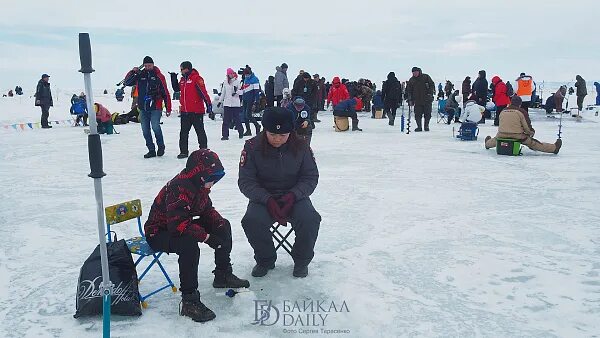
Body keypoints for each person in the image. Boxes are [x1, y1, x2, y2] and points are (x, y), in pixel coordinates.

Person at [145, 149, 250, 322]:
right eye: (210, 179)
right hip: (158, 232)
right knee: (188, 244)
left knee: (224, 226)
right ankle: (189, 301)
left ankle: (222, 274)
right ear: (199, 174)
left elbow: (206, 210)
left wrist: (218, 224)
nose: (213, 183)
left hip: (179, 224)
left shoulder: (199, 186)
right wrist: (207, 237)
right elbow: (177, 225)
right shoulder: (179, 188)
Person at [238, 107, 320, 278]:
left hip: (295, 197)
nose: (277, 139)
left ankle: (302, 260)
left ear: (290, 131)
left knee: (310, 219)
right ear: (264, 129)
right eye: (272, 134)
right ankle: (265, 259)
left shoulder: (302, 146)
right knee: (251, 220)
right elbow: (246, 181)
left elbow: (310, 177)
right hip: (263, 198)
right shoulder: (252, 147)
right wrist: (266, 199)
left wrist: (293, 195)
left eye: (283, 135)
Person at [123, 56, 172, 158]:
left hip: (156, 107)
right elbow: (127, 82)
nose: (147, 67)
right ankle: (151, 149)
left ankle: (161, 147)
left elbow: (165, 93)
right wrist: (132, 72)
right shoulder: (140, 75)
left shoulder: (159, 76)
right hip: (143, 108)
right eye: (145, 65)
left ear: (153, 64)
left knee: (155, 127)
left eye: (149, 65)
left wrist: (168, 108)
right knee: (145, 130)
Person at [484, 96, 561, 154]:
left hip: (501, 134)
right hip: (517, 136)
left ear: (511, 102)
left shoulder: (504, 111)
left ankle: (487, 144)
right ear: (520, 104)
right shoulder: (521, 111)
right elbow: (527, 127)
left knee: (495, 140)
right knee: (534, 143)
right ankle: (554, 148)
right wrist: (531, 132)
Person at [176, 61, 212, 159]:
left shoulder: (196, 78)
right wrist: (173, 79)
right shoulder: (182, 80)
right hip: (185, 111)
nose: (181, 71)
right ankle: (183, 151)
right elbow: (176, 89)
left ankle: (203, 150)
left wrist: (209, 105)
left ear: (187, 69)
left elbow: (203, 92)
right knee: (183, 132)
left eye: (182, 69)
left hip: (196, 111)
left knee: (200, 131)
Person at [217, 68, 244, 140]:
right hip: (227, 104)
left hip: (235, 104)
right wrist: (220, 101)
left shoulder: (237, 82)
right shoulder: (225, 82)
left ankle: (241, 131)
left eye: (232, 73)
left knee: (237, 119)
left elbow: (242, 92)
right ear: (228, 74)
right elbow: (223, 93)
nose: (231, 75)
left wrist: (236, 91)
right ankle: (225, 135)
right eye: (230, 73)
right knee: (226, 120)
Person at [406, 67, 435, 132]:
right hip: (417, 100)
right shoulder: (411, 80)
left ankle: (426, 126)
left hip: (427, 100)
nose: (415, 74)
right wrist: (410, 99)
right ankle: (419, 127)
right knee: (417, 114)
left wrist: (430, 94)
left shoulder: (426, 77)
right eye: (413, 72)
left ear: (419, 72)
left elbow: (432, 85)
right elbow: (409, 90)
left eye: (416, 72)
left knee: (427, 114)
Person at [240, 65, 262, 136]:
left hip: (251, 99)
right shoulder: (246, 79)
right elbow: (244, 89)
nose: (246, 76)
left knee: (248, 115)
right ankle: (248, 130)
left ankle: (257, 125)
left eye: (247, 74)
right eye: (245, 75)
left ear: (250, 73)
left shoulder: (255, 79)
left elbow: (256, 91)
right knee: (244, 115)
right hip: (245, 98)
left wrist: (257, 101)